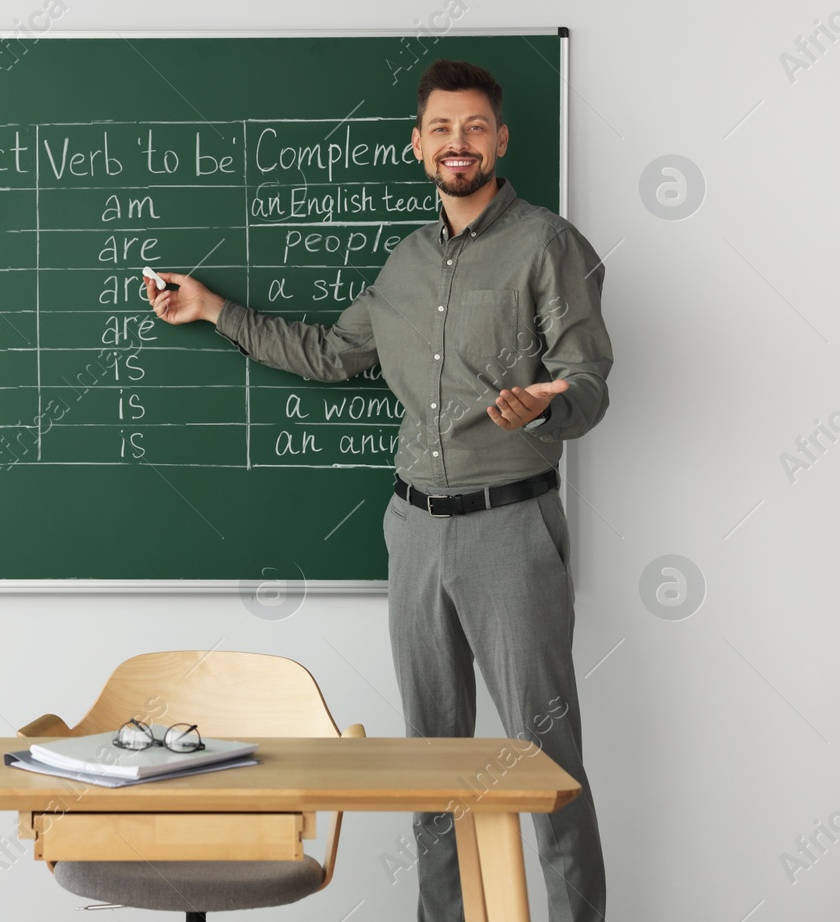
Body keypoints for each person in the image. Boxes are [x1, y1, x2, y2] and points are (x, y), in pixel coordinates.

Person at [146, 58, 611, 922]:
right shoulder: (404, 264)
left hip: (509, 526)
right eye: (441, 128)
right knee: (429, 764)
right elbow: (330, 354)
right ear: (418, 145)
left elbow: (586, 381)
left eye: (474, 127)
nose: (458, 143)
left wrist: (547, 405)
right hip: (413, 529)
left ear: (501, 140)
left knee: (546, 759)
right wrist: (214, 310)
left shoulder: (546, 244)